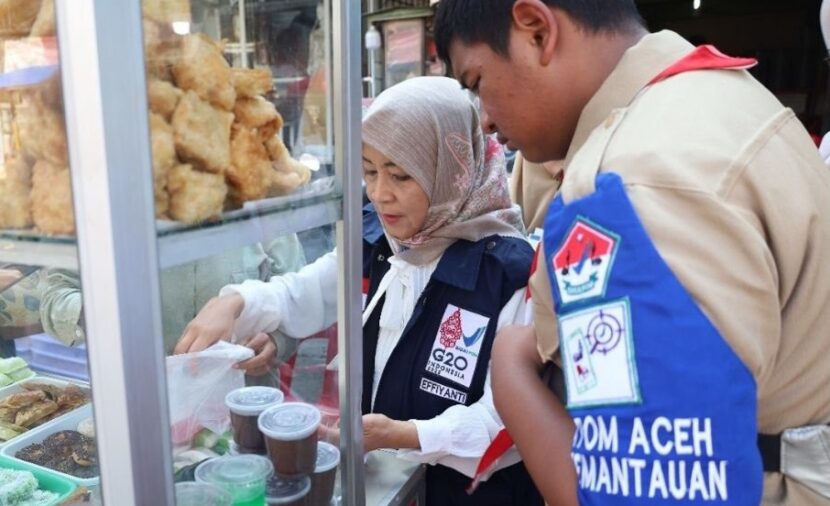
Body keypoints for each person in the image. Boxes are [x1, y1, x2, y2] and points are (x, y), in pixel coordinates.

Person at [435, 1, 830, 505]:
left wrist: (511, 374)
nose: (485, 120)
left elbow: (652, 492)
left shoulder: (632, 180)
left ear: (536, 30)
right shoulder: (719, 96)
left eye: (477, 81)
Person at [176, 76, 544, 506]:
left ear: (453, 171)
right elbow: (304, 293)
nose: (380, 193)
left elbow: (511, 422)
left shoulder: (511, 274)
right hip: (391, 489)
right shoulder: (379, 243)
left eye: (401, 175)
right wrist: (236, 302)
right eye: (369, 171)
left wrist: (407, 435)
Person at [40, 237, 306, 378]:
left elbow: (298, 292)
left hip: (244, 402)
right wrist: (102, 313)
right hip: (138, 398)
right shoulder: (104, 201)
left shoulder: (256, 194)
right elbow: (55, 295)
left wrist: (276, 339)